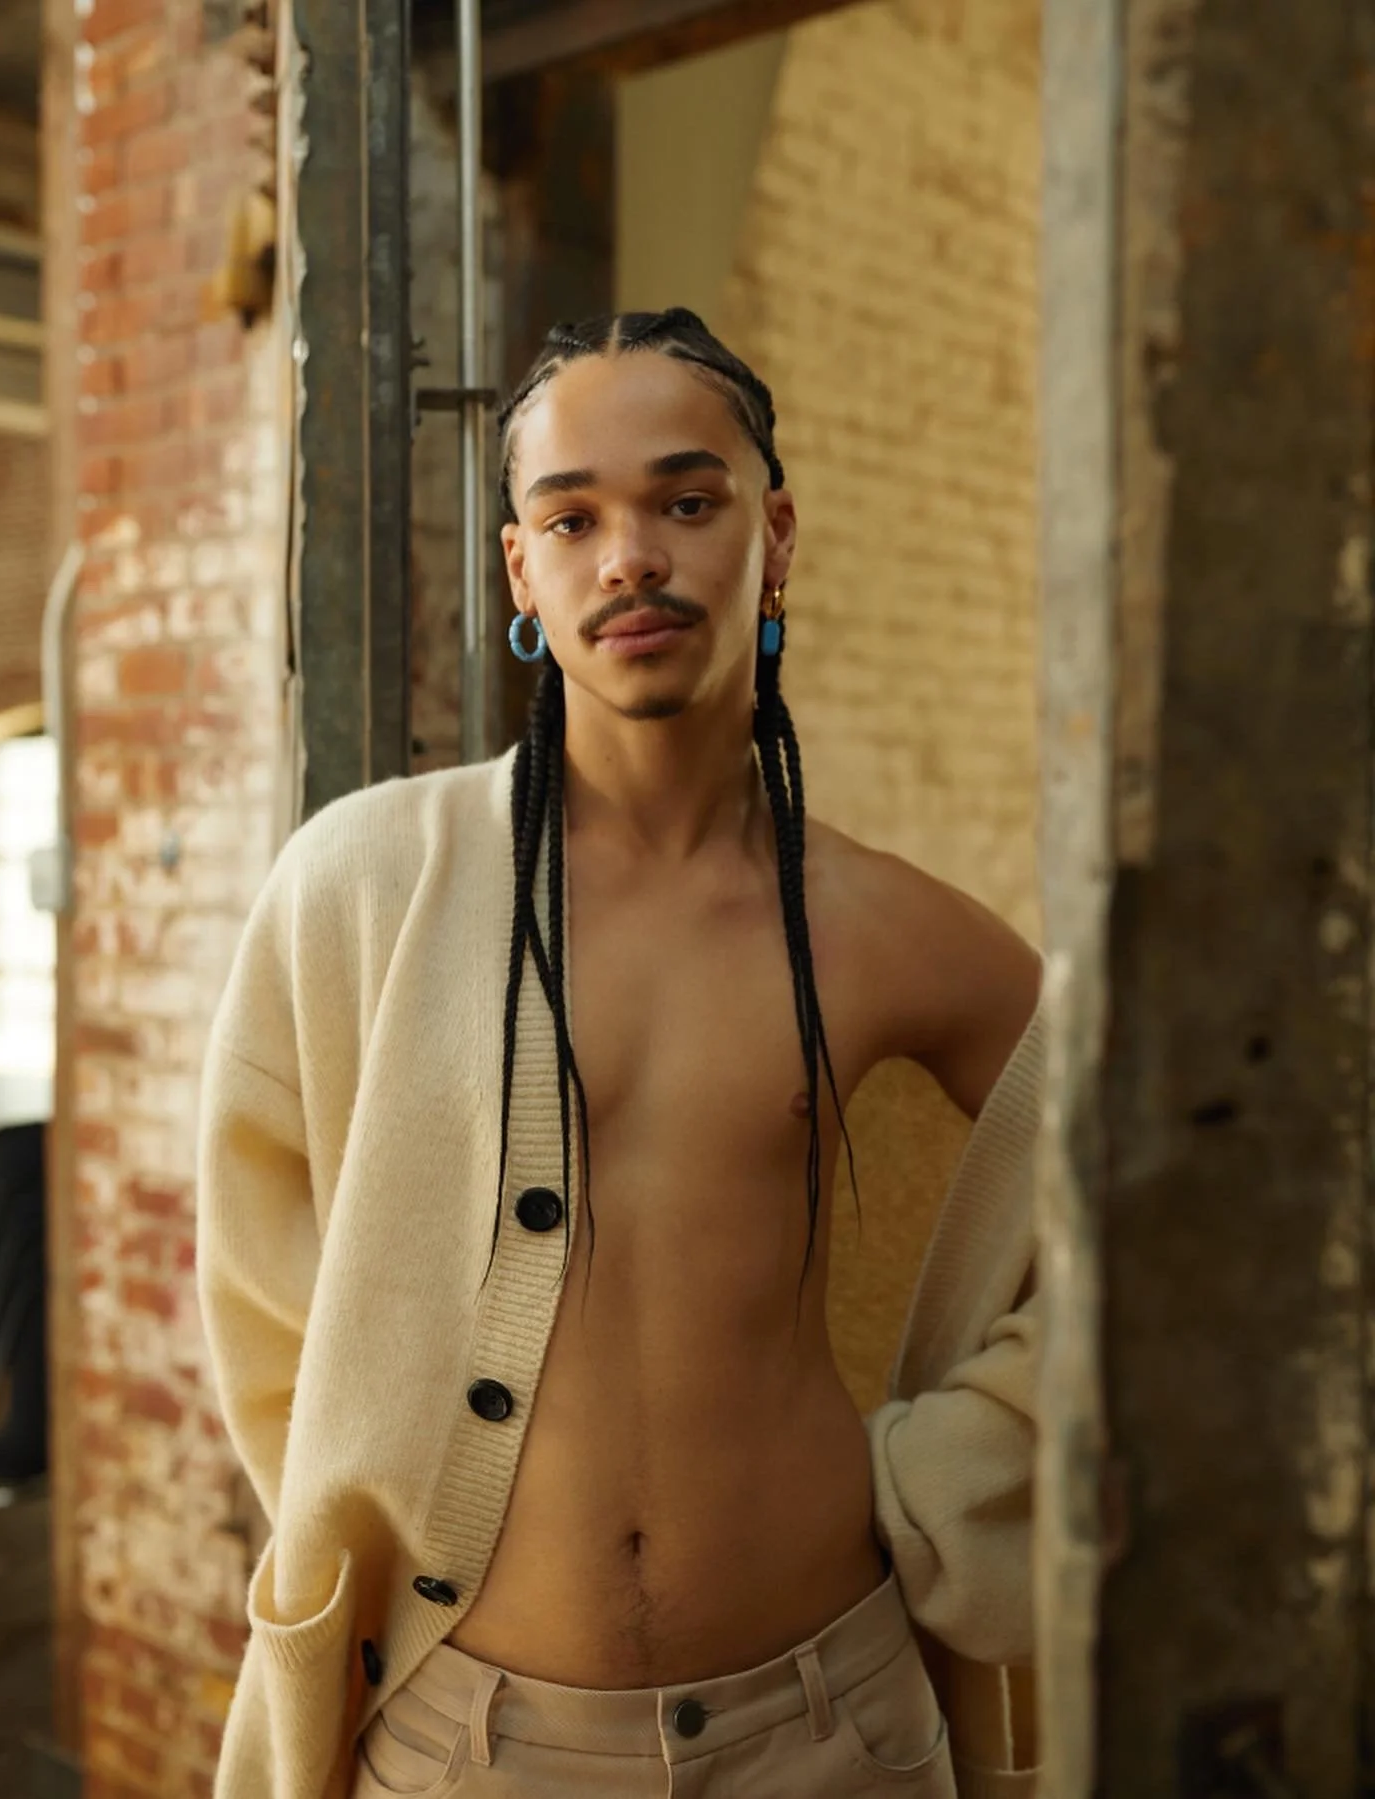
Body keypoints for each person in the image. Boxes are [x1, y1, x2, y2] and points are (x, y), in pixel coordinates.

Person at [196, 308, 1046, 1799]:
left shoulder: (880, 927)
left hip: (831, 1730)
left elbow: (1148, 1161)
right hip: (470, 1746)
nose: (631, 557)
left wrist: (965, 1466)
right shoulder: (360, 884)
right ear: (519, 572)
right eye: (572, 518)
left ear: (775, 538)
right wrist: (367, 1552)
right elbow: (267, 1307)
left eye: (687, 502)